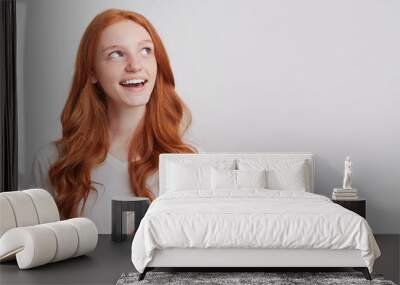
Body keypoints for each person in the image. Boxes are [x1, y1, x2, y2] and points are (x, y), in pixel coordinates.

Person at [30, 9, 197, 234]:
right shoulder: (52, 162)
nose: (135, 65)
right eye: (117, 54)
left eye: (146, 50)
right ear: (91, 72)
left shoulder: (191, 163)